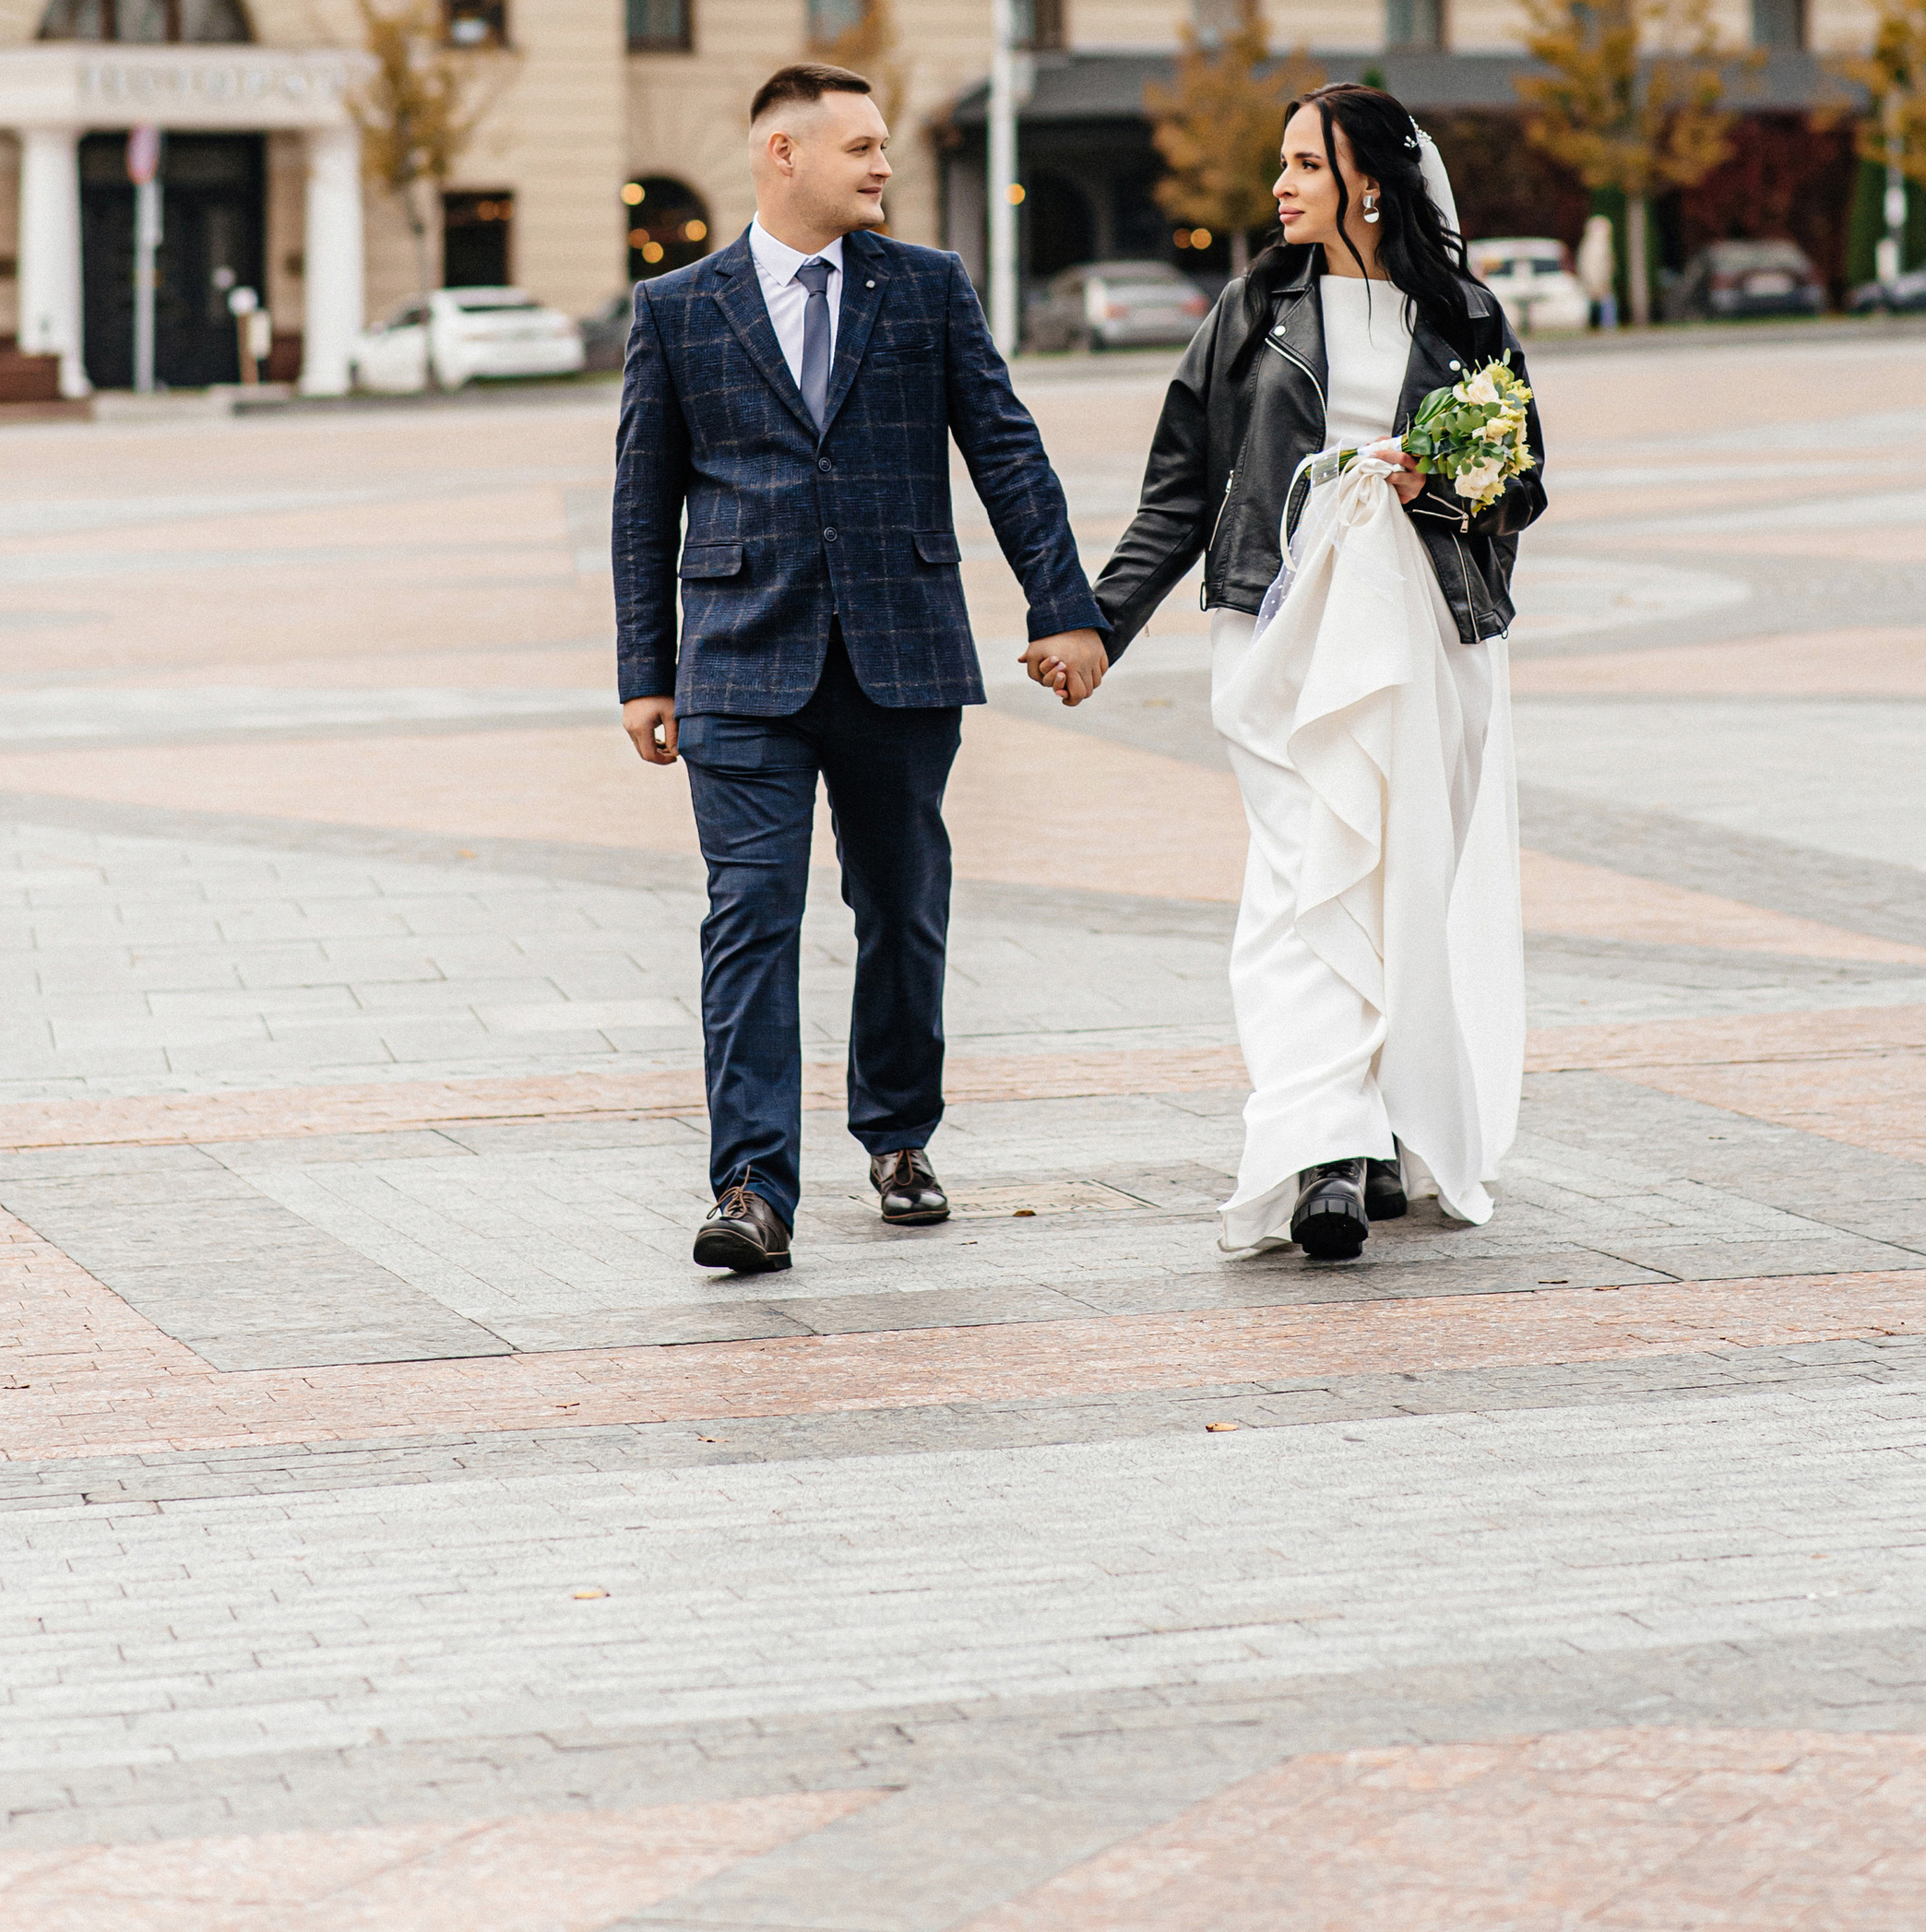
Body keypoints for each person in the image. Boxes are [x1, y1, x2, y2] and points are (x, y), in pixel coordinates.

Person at [614, 63, 1111, 1274]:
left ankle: (897, 1133)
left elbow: (1006, 447)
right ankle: (751, 1188)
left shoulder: (928, 288)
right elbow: (644, 499)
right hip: (739, 661)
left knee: (901, 906)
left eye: (884, 143)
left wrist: (1068, 606)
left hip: (902, 653)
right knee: (750, 916)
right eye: (860, 146)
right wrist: (646, 665)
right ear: (782, 154)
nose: (883, 163)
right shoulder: (680, 307)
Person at [1091, 83, 1546, 1264]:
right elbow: (1180, 491)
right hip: (1281, 631)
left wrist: (1432, 484)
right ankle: (1321, 1152)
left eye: (1303, 163)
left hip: (1430, 639)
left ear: (1370, 182)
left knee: (1403, 885)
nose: (1280, 185)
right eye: (1282, 163)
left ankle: (1383, 1125)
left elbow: (1525, 488)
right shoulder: (1251, 308)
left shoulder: (1466, 317)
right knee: (1302, 881)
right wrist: (1098, 623)